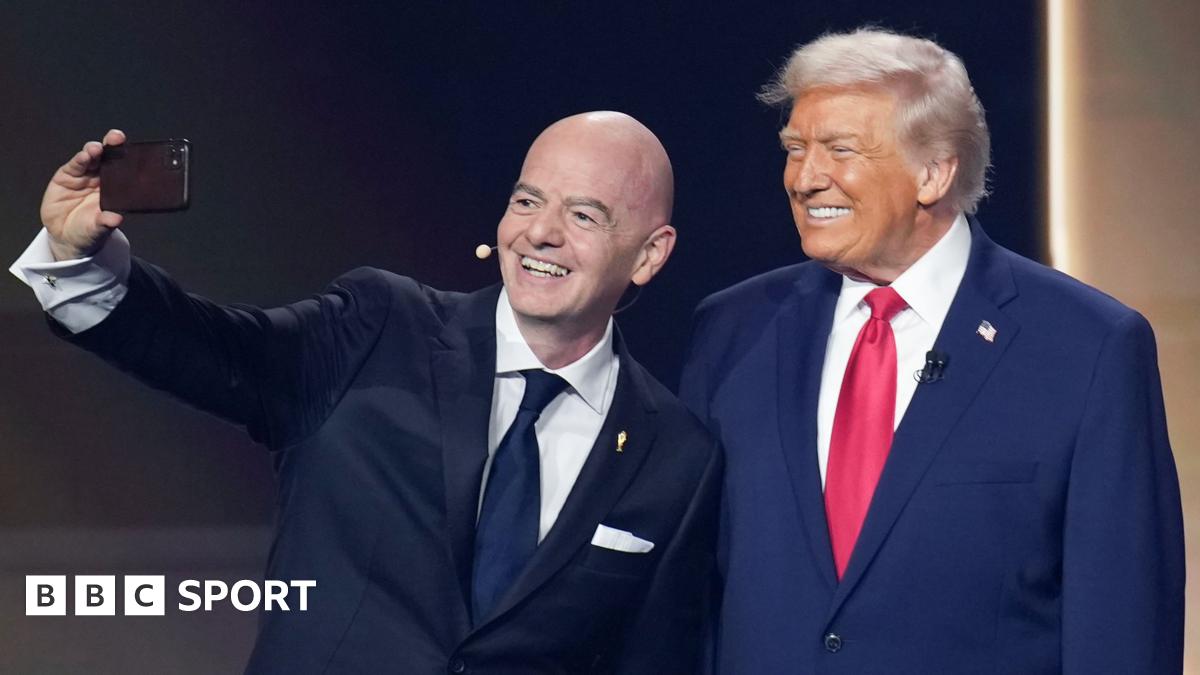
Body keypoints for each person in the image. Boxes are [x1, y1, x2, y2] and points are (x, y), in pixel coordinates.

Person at [12, 112, 721, 674]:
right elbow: (211, 350)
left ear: (651, 253)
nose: (541, 232)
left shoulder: (676, 457)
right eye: (527, 200)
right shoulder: (381, 327)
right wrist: (80, 260)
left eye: (585, 215)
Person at [680, 28, 1184, 673]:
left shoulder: (1087, 348)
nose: (805, 179)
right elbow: (684, 597)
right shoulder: (733, 331)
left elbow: (1123, 626)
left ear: (934, 172)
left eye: (840, 150)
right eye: (796, 149)